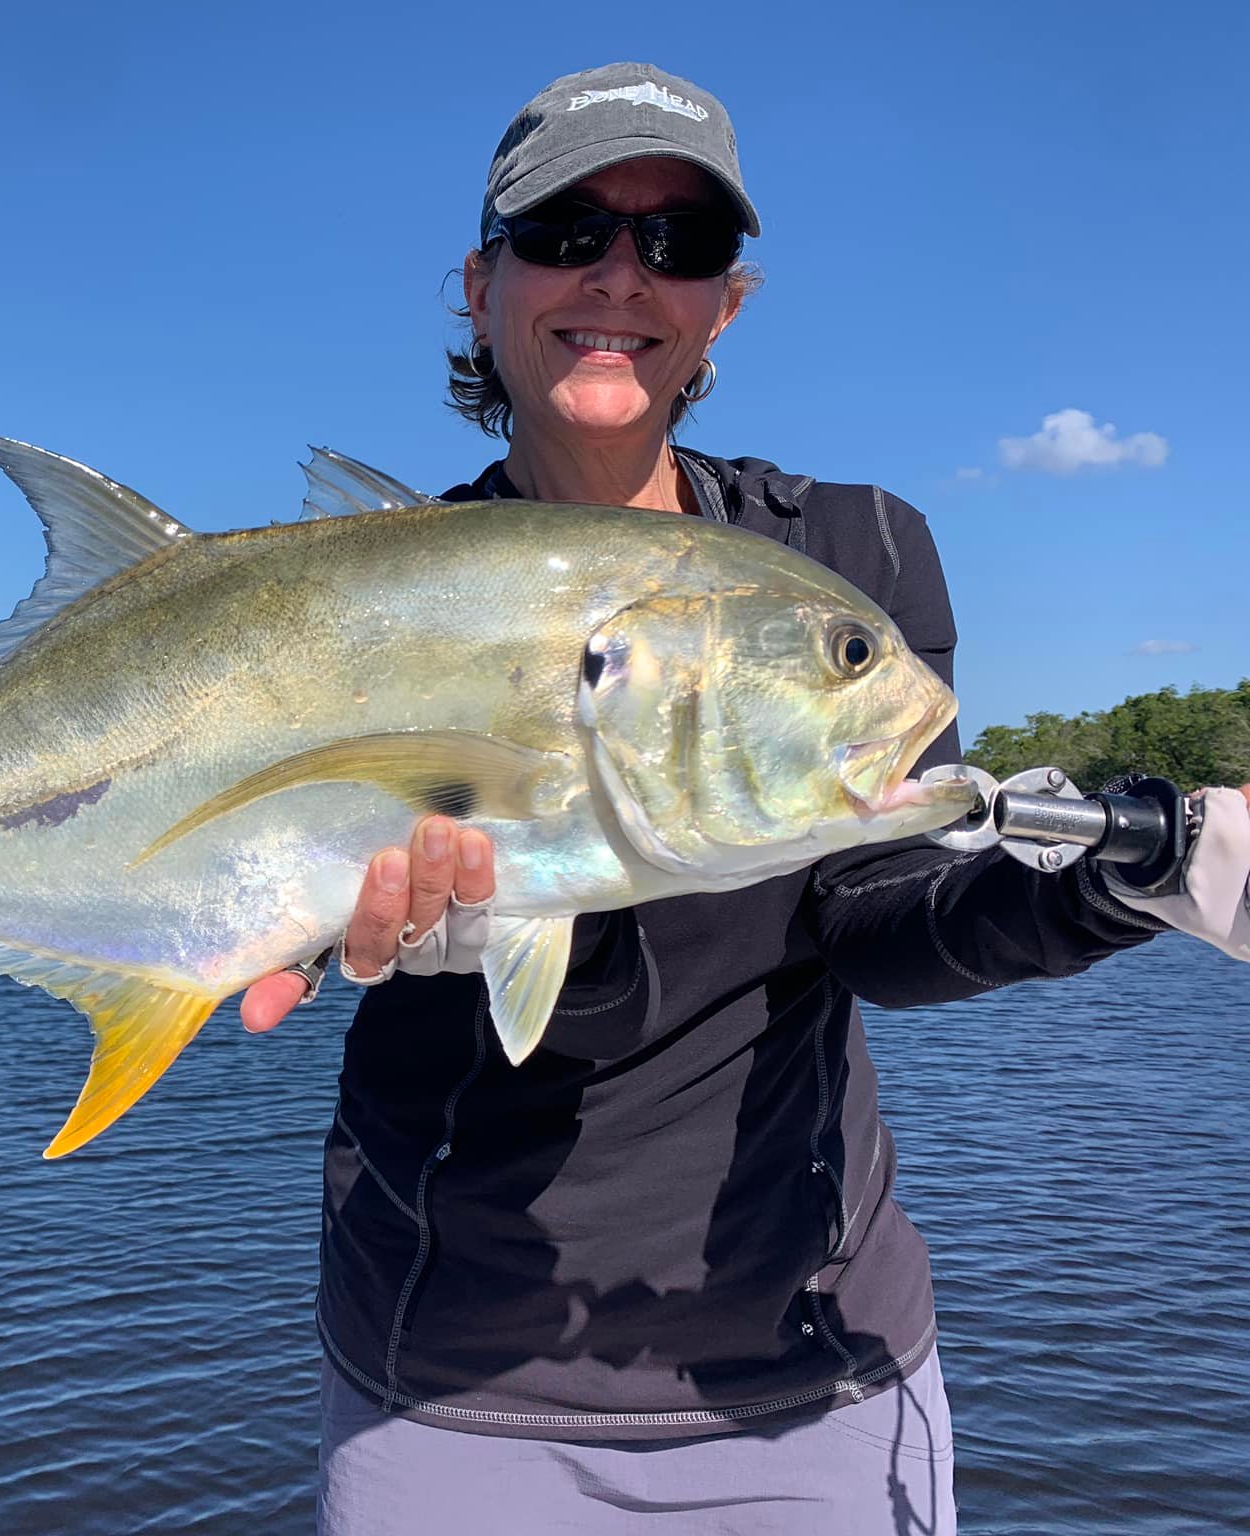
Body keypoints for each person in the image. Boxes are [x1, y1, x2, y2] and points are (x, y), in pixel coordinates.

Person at [237, 62, 1250, 1535]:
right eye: (567, 230)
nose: (621, 277)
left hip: (809, 1373)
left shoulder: (844, 554)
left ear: (727, 305)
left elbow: (885, 917)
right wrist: (307, 916)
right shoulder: (369, 599)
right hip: (442, 1376)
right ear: (478, 282)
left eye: (680, 244)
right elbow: (264, 846)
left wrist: (1121, 873)